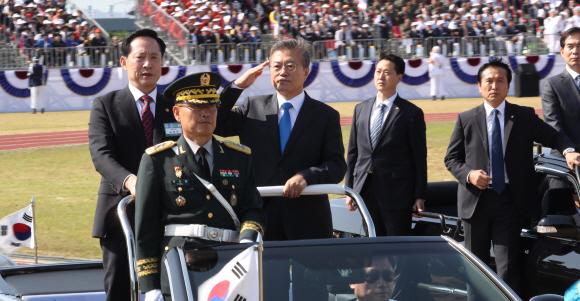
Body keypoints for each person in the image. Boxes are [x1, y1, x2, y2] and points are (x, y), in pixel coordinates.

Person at [444, 58, 580, 295]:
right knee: (476, 270)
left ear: (508, 86)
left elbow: (555, 137)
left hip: (510, 203)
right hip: (475, 203)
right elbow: (451, 159)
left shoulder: (524, 116)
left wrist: (569, 151)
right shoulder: (465, 119)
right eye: (489, 81)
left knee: (507, 270)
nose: (494, 86)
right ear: (479, 86)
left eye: (500, 81)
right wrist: (469, 174)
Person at [135, 72, 266, 301]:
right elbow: (146, 228)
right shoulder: (158, 160)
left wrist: (247, 241)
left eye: (212, 107)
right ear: (177, 113)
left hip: (231, 263)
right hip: (180, 263)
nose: (206, 113)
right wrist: (150, 286)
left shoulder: (239, 157)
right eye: (196, 108)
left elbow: (253, 208)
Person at [216, 38, 346, 242]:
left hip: (308, 218)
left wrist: (306, 177)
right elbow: (215, 122)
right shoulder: (252, 107)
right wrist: (238, 85)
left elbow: (337, 165)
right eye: (276, 66)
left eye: (291, 66)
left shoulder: (325, 115)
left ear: (306, 72)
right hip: (260, 217)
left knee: (314, 274)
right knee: (266, 274)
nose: (283, 72)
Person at [88, 29, 179, 301]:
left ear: (163, 63)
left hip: (170, 217)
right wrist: (131, 181)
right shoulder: (105, 104)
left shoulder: (174, 107)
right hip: (120, 215)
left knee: (169, 288)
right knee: (120, 290)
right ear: (124, 62)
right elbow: (101, 154)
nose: (148, 64)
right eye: (140, 57)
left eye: (155, 57)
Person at [345, 52, 427, 237]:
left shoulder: (411, 113)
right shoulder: (361, 109)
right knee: (371, 246)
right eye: (378, 71)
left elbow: (419, 157)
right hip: (365, 191)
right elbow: (353, 153)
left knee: (397, 249)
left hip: (397, 193)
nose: (381, 76)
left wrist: (419, 195)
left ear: (399, 77)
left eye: (387, 72)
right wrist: (349, 189)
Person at [542, 27, 580, 193]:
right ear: (562, 51)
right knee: (560, 213)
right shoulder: (552, 85)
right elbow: (553, 124)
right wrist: (569, 151)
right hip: (565, 158)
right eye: (570, 46)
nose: (575, 51)